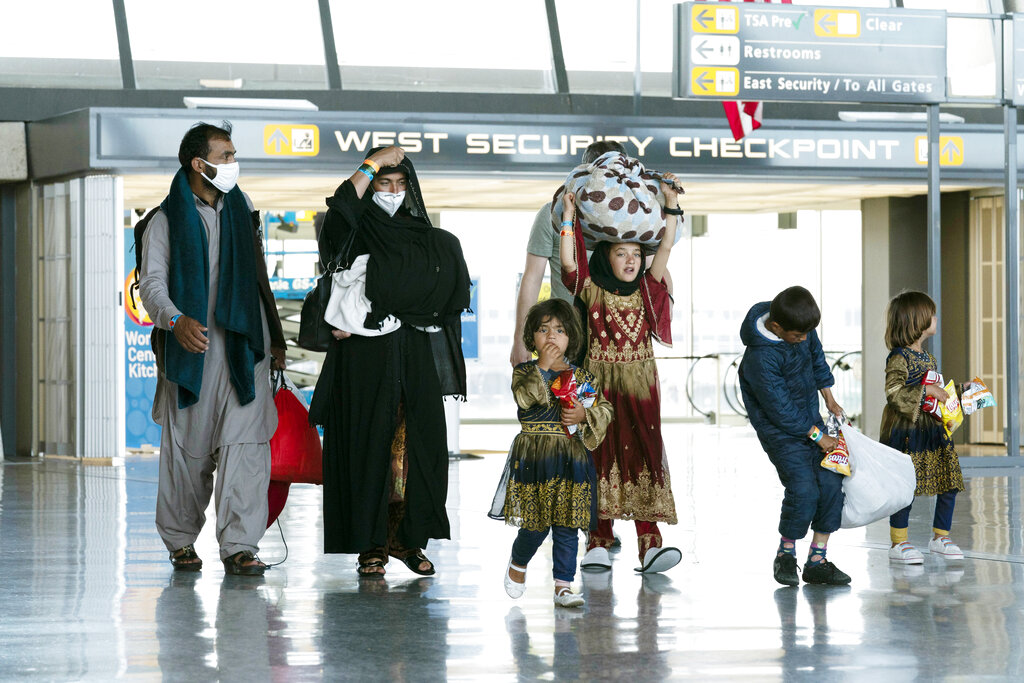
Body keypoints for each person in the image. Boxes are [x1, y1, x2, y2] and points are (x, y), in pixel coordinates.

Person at [308, 145, 471, 577]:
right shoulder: (351, 230)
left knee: (414, 450)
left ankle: (408, 541)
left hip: (413, 358)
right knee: (368, 448)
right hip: (364, 361)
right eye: (384, 183)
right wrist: (372, 161)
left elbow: (446, 301)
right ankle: (372, 546)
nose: (394, 191)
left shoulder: (428, 239)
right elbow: (341, 208)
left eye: (401, 184)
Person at [139, 121, 286, 576]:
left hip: (244, 350)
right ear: (197, 163)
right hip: (193, 352)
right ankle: (181, 541)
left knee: (247, 447)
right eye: (225, 156)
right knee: (189, 452)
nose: (232, 164)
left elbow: (259, 284)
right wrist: (176, 320)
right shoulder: (163, 222)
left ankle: (240, 546)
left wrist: (274, 341)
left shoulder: (244, 211)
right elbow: (152, 286)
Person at [558, 174, 683, 574]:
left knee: (645, 453)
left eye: (635, 253)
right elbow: (567, 262)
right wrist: (567, 218)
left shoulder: (649, 287)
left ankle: (650, 544)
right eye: (621, 253)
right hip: (596, 385)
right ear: (605, 257)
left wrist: (671, 204)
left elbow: (664, 244)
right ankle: (597, 539)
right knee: (599, 454)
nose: (631, 260)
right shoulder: (591, 288)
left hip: (642, 385)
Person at [490, 298, 614, 607]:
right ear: (532, 338)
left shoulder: (583, 378)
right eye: (543, 330)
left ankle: (563, 586)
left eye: (559, 330)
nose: (551, 336)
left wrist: (585, 417)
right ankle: (518, 563)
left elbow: (604, 408)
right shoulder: (525, 372)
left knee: (567, 526)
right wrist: (543, 367)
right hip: (535, 457)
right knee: (535, 524)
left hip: (571, 459)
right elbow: (524, 398)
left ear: (571, 337)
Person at [737, 286, 849, 586]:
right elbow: (781, 411)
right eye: (798, 336)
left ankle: (817, 560)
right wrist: (819, 437)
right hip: (780, 433)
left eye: (807, 333)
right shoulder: (760, 358)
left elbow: (817, 360)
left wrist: (829, 400)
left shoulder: (802, 328)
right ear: (776, 326)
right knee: (803, 490)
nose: (803, 339)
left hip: (811, 422)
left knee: (830, 483)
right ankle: (786, 554)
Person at [509, 141, 627, 367]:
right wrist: (519, 340)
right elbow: (532, 278)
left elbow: (652, 274)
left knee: (601, 402)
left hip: (616, 340)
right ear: (584, 174)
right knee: (566, 400)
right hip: (565, 340)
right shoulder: (553, 214)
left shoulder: (632, 222)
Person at [880, 291, 965, 564]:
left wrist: (960, 393)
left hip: (934, 430)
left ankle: (941, 536)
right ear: (917, 320)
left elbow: (935, 392)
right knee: (906, 486)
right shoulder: (898, 357)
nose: (936, 318)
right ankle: (899, 542)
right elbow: (893, 392)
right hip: (908, 432)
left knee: (948, 481)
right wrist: (926, 389)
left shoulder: (929, 358)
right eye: (932, 314)